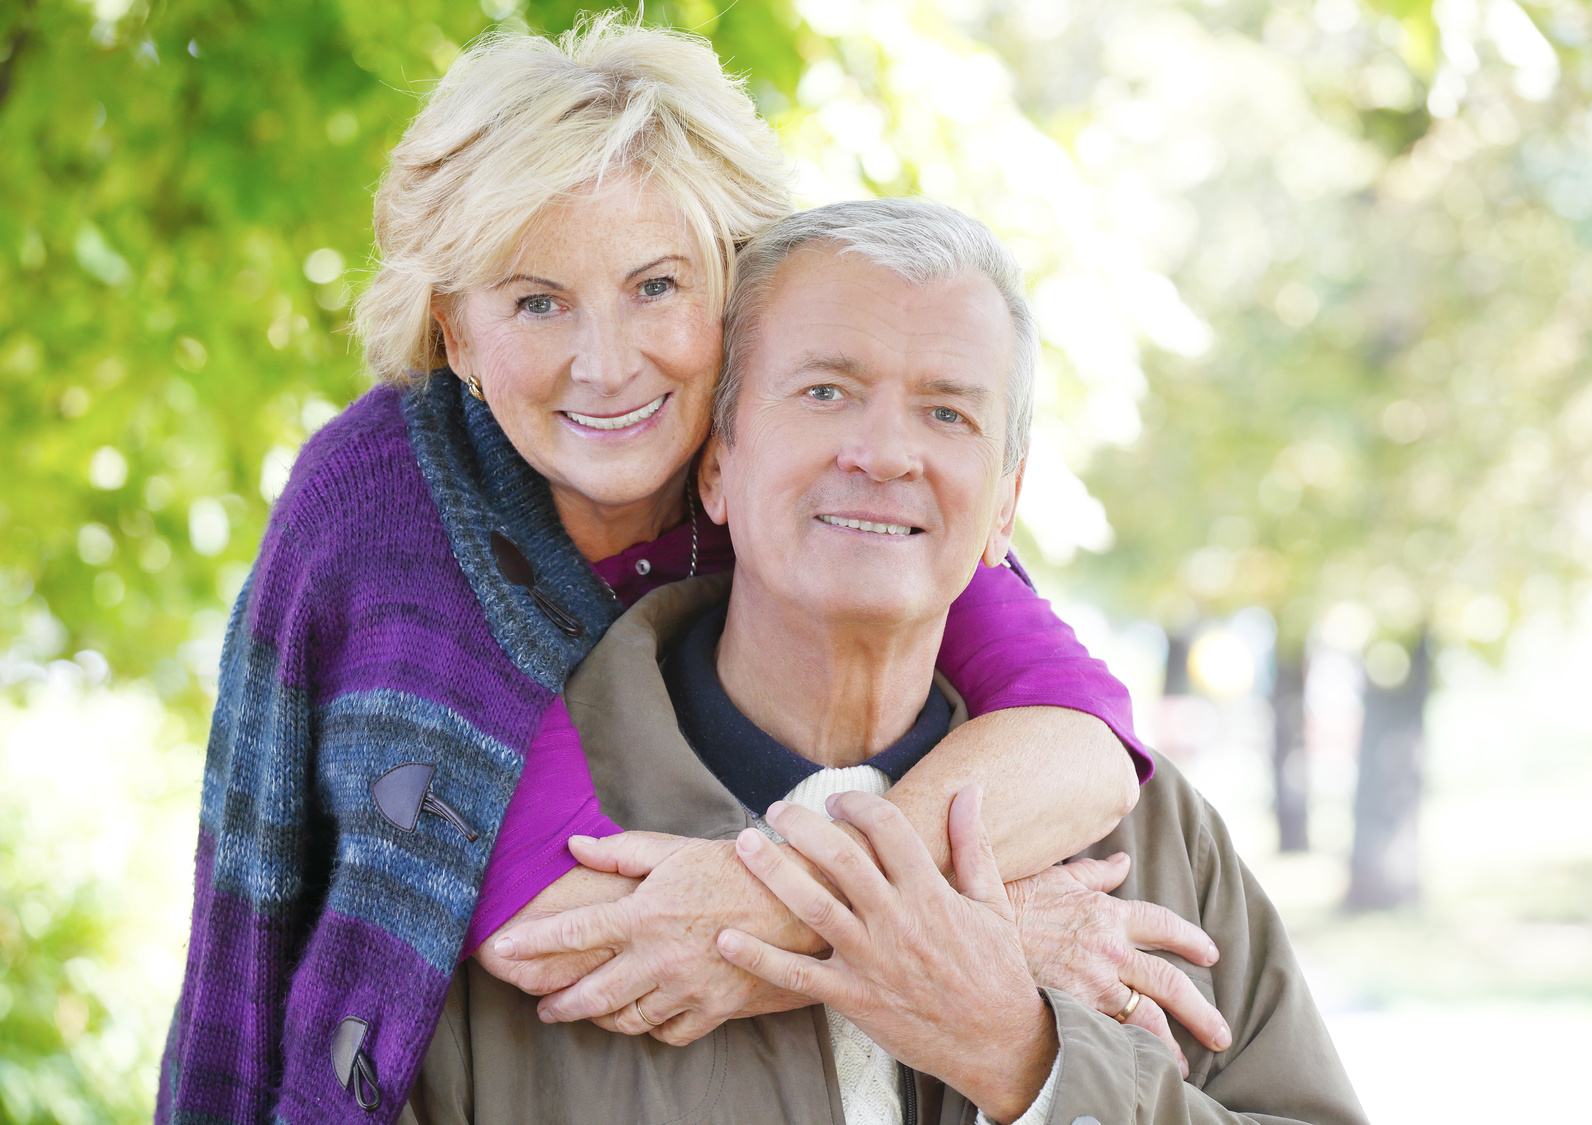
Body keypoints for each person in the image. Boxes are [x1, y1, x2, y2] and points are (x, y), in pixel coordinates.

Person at [156, 19, 1222, 1125]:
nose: (607, 363)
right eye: (536, 302)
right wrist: (965, 934)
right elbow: (575, 931)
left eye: (656, 286)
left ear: (729, 280)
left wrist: (924, 930)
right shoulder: (391, 509)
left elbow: (1080, 736)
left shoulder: (803, 459)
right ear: (455, 334)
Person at [400, 198, 1368, 1125]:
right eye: (826, 392)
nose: (884, 453)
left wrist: (1024, 1059)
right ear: (715, 466)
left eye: (947, 414)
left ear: (1002, 507)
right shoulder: (511, 835)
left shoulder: (1142, 842)